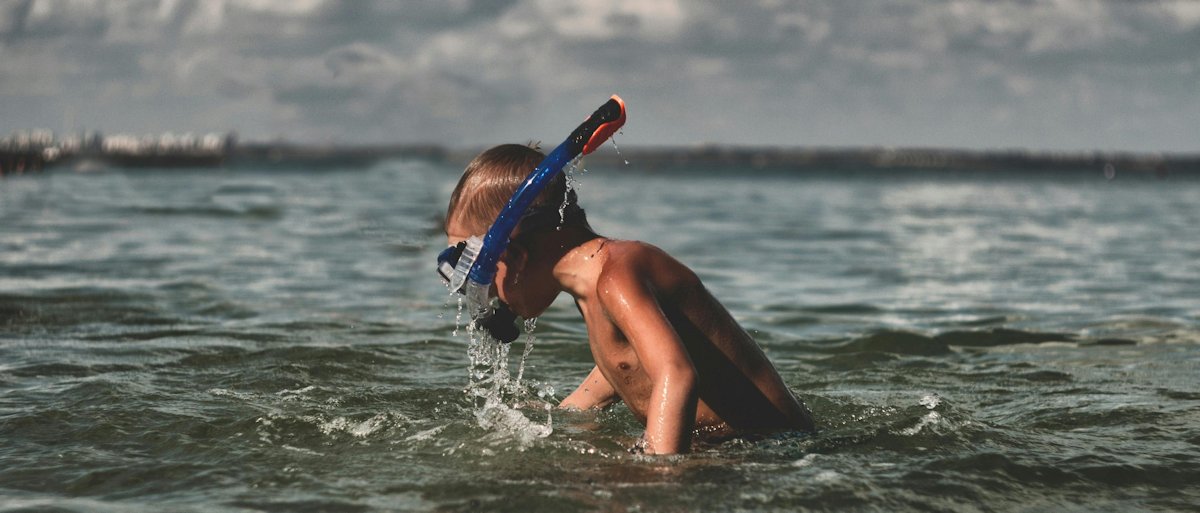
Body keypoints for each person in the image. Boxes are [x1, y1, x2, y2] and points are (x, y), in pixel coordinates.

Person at [443, 143, 815, 455]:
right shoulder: (592, 284)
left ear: (515, 258)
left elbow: (676, 373)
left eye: (475, 274)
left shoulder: (616, 277)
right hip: (725, 445)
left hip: (765, 451)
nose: (483, 295)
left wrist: (660, 478)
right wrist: (565, 412)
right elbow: (626, 364)